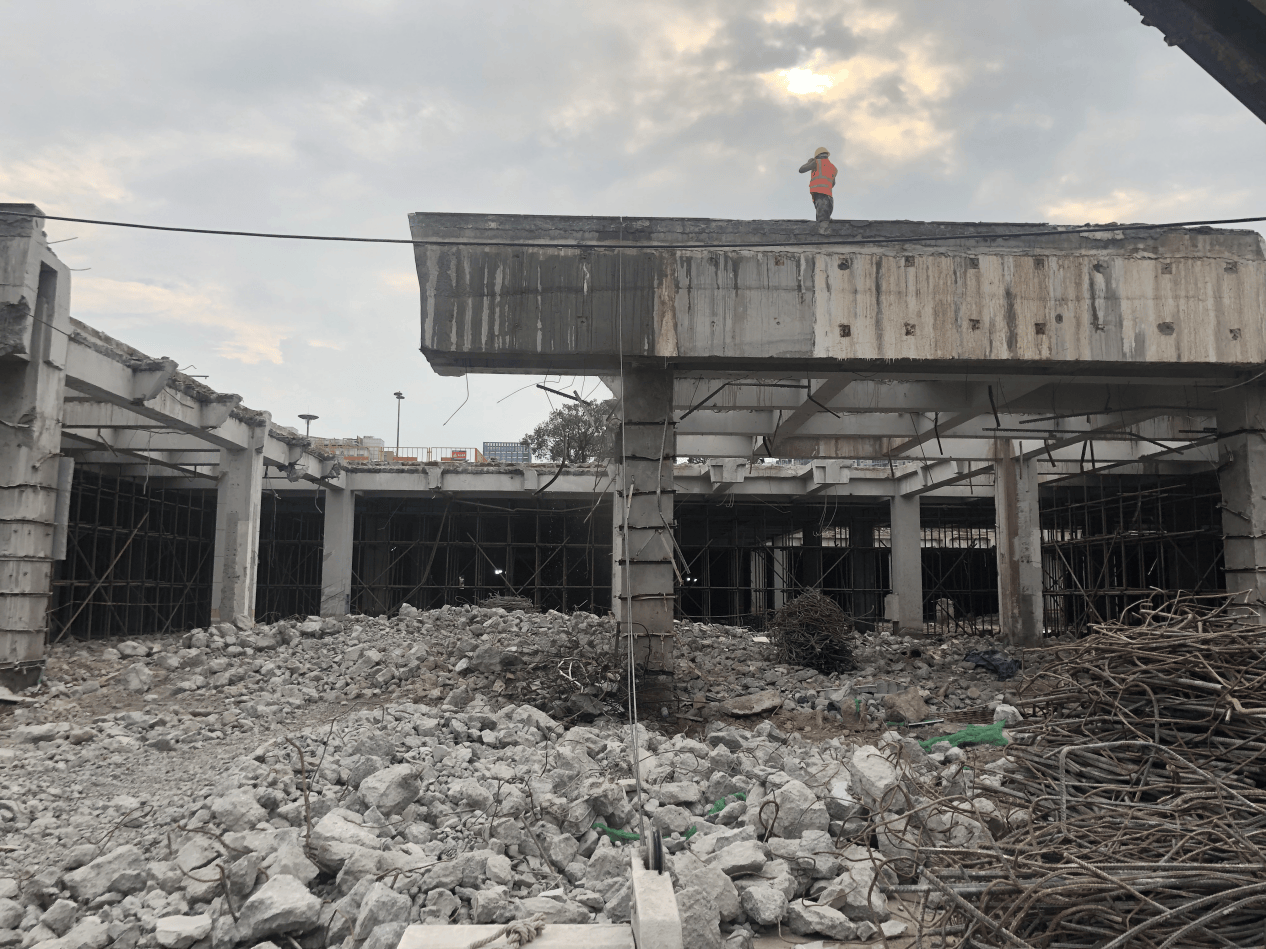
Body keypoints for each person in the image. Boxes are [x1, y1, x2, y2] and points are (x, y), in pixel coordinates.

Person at [799, 146, 837, 223]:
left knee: (822, 220)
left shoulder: (816, 162)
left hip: (819, 192)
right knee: (825, 215)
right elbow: (833, 183)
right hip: (828, 195)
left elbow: (801, 170)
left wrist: (809, 162)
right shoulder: (833, 168)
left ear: (817, 155)